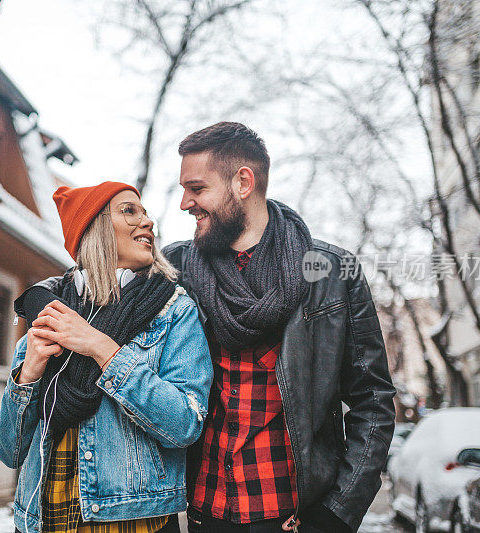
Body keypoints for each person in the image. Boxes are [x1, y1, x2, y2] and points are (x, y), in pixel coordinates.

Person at [162, 122, 395, 533]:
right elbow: (103, 288)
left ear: (242, 182)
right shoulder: (176, 268)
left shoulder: (332, 274)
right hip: (204, 511)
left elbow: (372, 401)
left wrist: (338, 513)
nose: (185, 203)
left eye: (196, 189)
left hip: (295, 517)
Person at [0, 181, 214, 533]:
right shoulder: (49, 314)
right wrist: (28, 374)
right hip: (43, 520)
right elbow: (9, 451)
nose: (147, 222)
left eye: (145, 213)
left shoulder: (173, 311)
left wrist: (102, 347)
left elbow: (185, 423)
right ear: (92, 228)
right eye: (130, 211)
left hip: (136, 521)